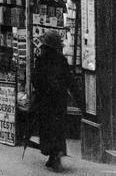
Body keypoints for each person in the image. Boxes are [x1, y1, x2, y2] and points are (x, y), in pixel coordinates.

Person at [33, 30, 77, 172]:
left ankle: (53, 156)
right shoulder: (61, 60)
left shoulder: (41, 60)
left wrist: (39, 93)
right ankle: (54, 156)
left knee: (47, 128)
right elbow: (69, 80)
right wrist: (75, 95)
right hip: (59, 101)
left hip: (46, 101)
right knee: (58, 129)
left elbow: (36, 80)